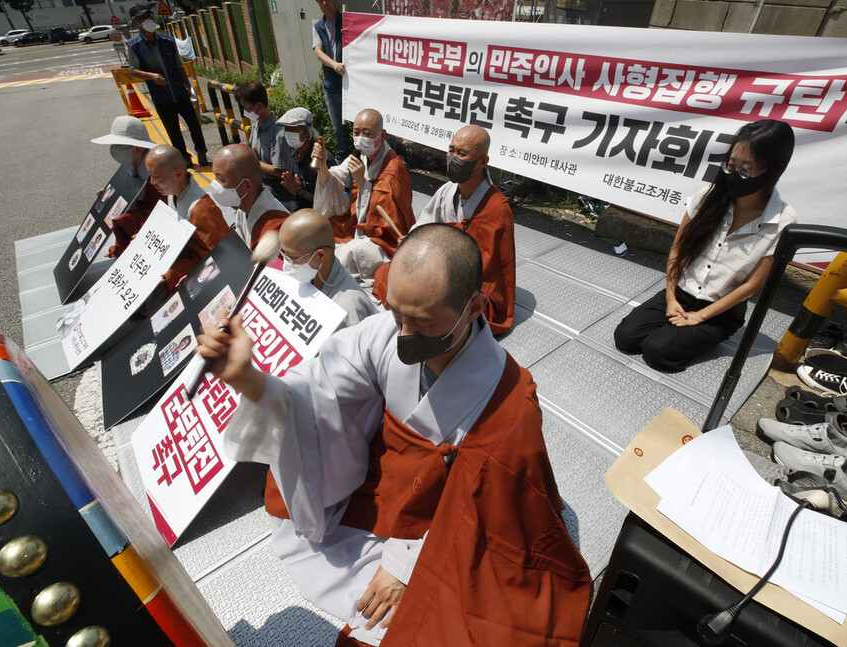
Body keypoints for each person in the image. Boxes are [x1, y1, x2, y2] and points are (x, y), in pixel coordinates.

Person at [197, 224, 591, 647]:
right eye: (396, 312)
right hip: (383, 488)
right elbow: (315, 394)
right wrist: (251, 380)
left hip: (445, 517)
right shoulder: (385, 333)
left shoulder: (509, 403)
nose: (402, 335)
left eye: (421, 322)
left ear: (475, 308)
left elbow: (486, 511)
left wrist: (405, 565)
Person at [614, 119, 797, 372]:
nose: (735, 175)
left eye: (747, 169)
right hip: (679, 293)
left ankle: (702, 334)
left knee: (658, 352)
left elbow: (752, 285)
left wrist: (700, 317)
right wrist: (670, 297)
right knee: (626, 337)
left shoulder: (783, 221)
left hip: (720, 312)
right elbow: (677, 250)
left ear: (772, 169)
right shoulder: (706, 197)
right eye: (731, 166)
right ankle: (676, 325)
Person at [371, 124, 515, 335]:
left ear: (483, 161)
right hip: (438, 266)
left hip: (468, 286)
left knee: (434, 302)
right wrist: (413, 242)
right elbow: (425, 225)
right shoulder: (448, 190)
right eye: (451, 150)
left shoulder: (496, 208)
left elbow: (486, 268)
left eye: (462, 153)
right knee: (386, 272)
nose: (453, 158)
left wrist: (436, 263)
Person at [313, 109, 414, 287]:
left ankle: (326, 283)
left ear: (382, 135)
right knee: (320, 234)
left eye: (367, 133)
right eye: (356, 132)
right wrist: (322, 166)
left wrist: (361, 183)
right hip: (357, 223)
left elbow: (384, 216)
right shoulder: (361, 154)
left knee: (349, 254)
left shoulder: (394, 168)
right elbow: (337, 177)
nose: (360, 138)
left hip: (383, 237)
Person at [126, 4, 208, 167]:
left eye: (150, 16)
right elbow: (133, 70)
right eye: (144, 17)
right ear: (136, 22)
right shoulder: (133, 45)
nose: (149, 19)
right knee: (173, 131)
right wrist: (151, 76)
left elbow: (179, 65)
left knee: (194, 125)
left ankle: (201, 151)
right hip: (161, 97)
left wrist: (187, 86)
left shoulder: (167, 41)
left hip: (180, 93)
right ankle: (184, 157)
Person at [144, 145, 231, 292]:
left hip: (200, 269)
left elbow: (223, 255)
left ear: (178, 174)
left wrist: (196, 278)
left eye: (156, 177)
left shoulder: (202, 210)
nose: (152, 182)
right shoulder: (172, 194)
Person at [278, 209, 377, 328]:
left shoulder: (348, 310)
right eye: (284, 254)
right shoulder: (311, 275)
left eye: (293, 257)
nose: (287, 262)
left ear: (321, 256)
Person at [90, 115, 162, 258]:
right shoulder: (131, 164)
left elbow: (159, 214)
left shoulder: (155, 175)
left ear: (136, 148)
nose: (113, 149)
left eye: (119, 146)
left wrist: (123, 217)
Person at [209, 144, 289, 251]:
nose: (215, 183)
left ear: (246, 185)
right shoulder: (244, 207)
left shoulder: (273, 231)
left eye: (221, 180)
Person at [234, 82, 287, 202]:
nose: (245, 112)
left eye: (247, 108)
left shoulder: (278, 133)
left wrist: (254, 161)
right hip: (259, 180)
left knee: (244, 198)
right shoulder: (256, 126)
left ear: (259, 106)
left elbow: (280, 172)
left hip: (276, 187)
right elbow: (252, 151)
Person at [278, 107, 335, 211]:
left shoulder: (322, 159)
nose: (288, 133)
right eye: (286, 129)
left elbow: (331, 202)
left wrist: (299, 191)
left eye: (293, 129)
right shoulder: (293, 153)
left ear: (307, 132)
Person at [312, 0, 347, 160]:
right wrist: (334, 65)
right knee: (338, 129)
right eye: (320, 0)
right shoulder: (318, 26)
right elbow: (318, 53)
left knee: (360, 123)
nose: (324, 3)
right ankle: (341, 162)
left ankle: (362, 156)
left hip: (351, 85)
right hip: (332, 87)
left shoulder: (347, 20)